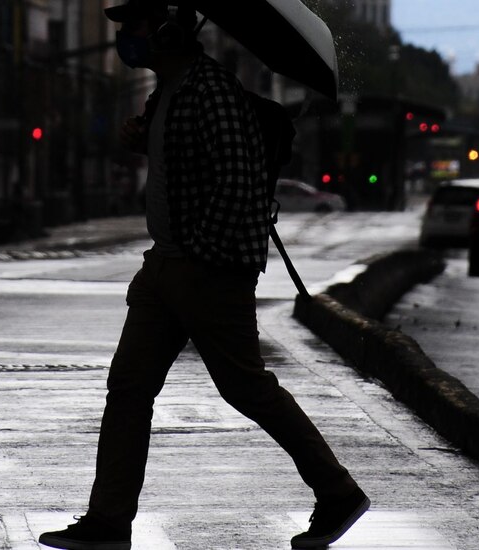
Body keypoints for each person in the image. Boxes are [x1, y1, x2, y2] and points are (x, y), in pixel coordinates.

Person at [38, 1, 368, 549]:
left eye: (135, 23)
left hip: (206, 270)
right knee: (128, 387)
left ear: (167, 27)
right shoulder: (168, 91)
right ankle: (108, 521)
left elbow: (236, 182)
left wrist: (198, 258)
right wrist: (143, 137)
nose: (125, 33)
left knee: (247, 389)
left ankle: (337, 492)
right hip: (166, 267)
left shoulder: (211, 90)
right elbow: (186, 160)